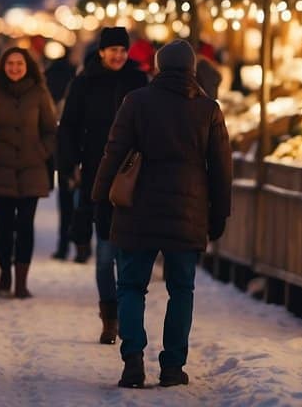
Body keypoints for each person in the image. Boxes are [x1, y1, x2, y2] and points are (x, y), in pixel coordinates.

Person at [91, 41, 232, 389]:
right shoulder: (208, 109)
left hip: (138, 209)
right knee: (181, 289)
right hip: (188, 210)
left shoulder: (136, 102)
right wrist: (219, 215)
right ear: (193, 70)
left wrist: (99, 196)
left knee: (131, 286)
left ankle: (133, 361)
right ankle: (172, 366)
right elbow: (221, 169)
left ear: (156, 67)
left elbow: (114, 152)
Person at [57, 26, 149, 344]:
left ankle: (126, 314)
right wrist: (70, 163)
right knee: (105, 254)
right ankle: (109, 316)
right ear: (101, 52)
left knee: (128, 252)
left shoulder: (138, 82)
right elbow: (68, 126)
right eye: (113, 50)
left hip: (132, 176)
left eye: (123, 50)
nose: (118, 55)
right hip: (96, 173)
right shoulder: (84, 84)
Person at [0, 46, 58, 299]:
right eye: (10, 64)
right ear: (3, 67)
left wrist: (41, 151)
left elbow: (51, 130)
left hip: (32, 168)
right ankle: (5, 272)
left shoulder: (39, 93)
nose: (15, 68)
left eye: (19, 63)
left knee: (26, 226)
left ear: (27, 66)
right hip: (0, 167)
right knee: (5, 227)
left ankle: (21, 280)